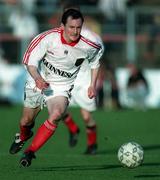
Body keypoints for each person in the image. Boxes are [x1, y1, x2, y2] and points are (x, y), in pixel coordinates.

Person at [9, 9, 103, 167]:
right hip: (38, 82)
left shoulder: (89, 46)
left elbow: (95, 63)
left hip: (61, 88)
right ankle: (24, 136)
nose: (75, 31)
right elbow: (30, 62)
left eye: (78, 27)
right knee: (26, 121)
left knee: (57, 114)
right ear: (62, 26)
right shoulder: (47, 38)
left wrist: (92, 85)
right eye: (71, 27)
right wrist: (38, 78)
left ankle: (30, 152)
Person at [62, 26, 104, 155]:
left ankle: (92, 145)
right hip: (66, 78)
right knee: (57, 109)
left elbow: (98, 57)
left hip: (84, 81)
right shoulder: (60, 33)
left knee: (86, 116)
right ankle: (73, 129)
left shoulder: (92, 37)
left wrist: (94, 83)